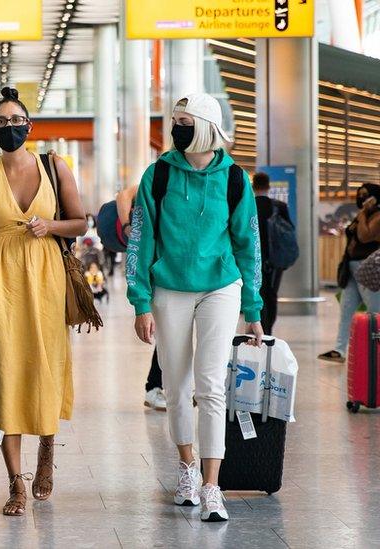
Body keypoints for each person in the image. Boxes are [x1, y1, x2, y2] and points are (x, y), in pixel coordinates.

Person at [0, 87, 86, 517]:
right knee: (3, 371)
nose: (10, 129)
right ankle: (15, 482)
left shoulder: (53, 165)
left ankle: (46, 446)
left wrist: (53, 225)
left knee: (44, 362)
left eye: (16, 121)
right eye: (1, 123)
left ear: (30, 126)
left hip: (46, 274)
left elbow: (80, 223)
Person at [127, 93, 263, 523]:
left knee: (211, 385)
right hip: (170, 288)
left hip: (220, 287)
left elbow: (248, 245)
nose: (176, 128)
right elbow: (140, 241)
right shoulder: (158, 175)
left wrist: (254, 308)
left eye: (184, 120)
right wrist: (140, 301)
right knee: (176, 385)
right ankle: (186, 465)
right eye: (175, 120)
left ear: (206, 125)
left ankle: (211, 485)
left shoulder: (235, 179)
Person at [117, 181, 167, 412]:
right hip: (157, 266)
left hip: (173, 267)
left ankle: (161, 386)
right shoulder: (157, 176)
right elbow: (123, 195)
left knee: (170, 336)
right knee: (167, 335)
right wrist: (128, 225)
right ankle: (155, 386)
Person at [318, 184, 380, 363]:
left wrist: (362, 215)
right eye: (360, 194)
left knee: (375, 311)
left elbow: (364, 236)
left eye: (366, 195)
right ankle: (339, 350)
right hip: (351, 268)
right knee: (346, 310)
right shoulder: (366, 214)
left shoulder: (375, 215)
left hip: (369, 269)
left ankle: (375, 351)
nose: (362, 198)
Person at [252, 172, 293, 335]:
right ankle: (269, 329)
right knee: (271, 294)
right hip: (276, 259)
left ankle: (261, 326)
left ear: (253, 186)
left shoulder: (249, 205)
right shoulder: (279, 206)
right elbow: (289, 231)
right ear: (268, 187)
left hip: (254, 258)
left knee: (258, 293)